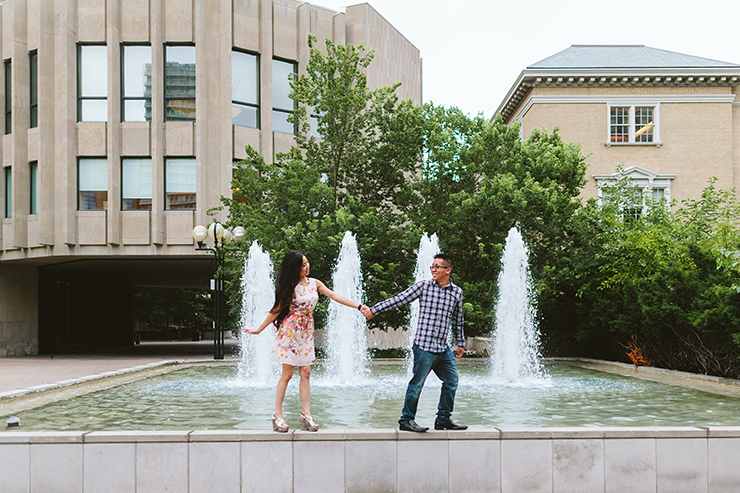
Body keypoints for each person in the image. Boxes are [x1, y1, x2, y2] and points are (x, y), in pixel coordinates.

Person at [245, 251, 366, 432]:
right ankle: (277, 415)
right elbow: (277, 310)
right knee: (287, 374)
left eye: (307, 263)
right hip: (291, 331)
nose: (307, 266)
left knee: (306, 372)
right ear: (295, 268)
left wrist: (358, 306)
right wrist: (258, 329)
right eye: (303, 265)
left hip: (306, 331)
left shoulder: (314, 283)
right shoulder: (290, 286)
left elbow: (335, 296)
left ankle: (306, 415)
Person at [361, 253, 467, 432]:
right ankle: (406, 420)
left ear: (447, 270)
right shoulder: (424, 286)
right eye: (432, 266)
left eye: (437, 267)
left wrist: (461, 342)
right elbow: (399, 299)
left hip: (443, 348)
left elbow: (458, 319)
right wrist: (374, 310)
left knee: (451, 381)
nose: (433, 269)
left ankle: (443, 420)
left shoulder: (457, 292)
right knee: (417, 384)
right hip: (424, 346)